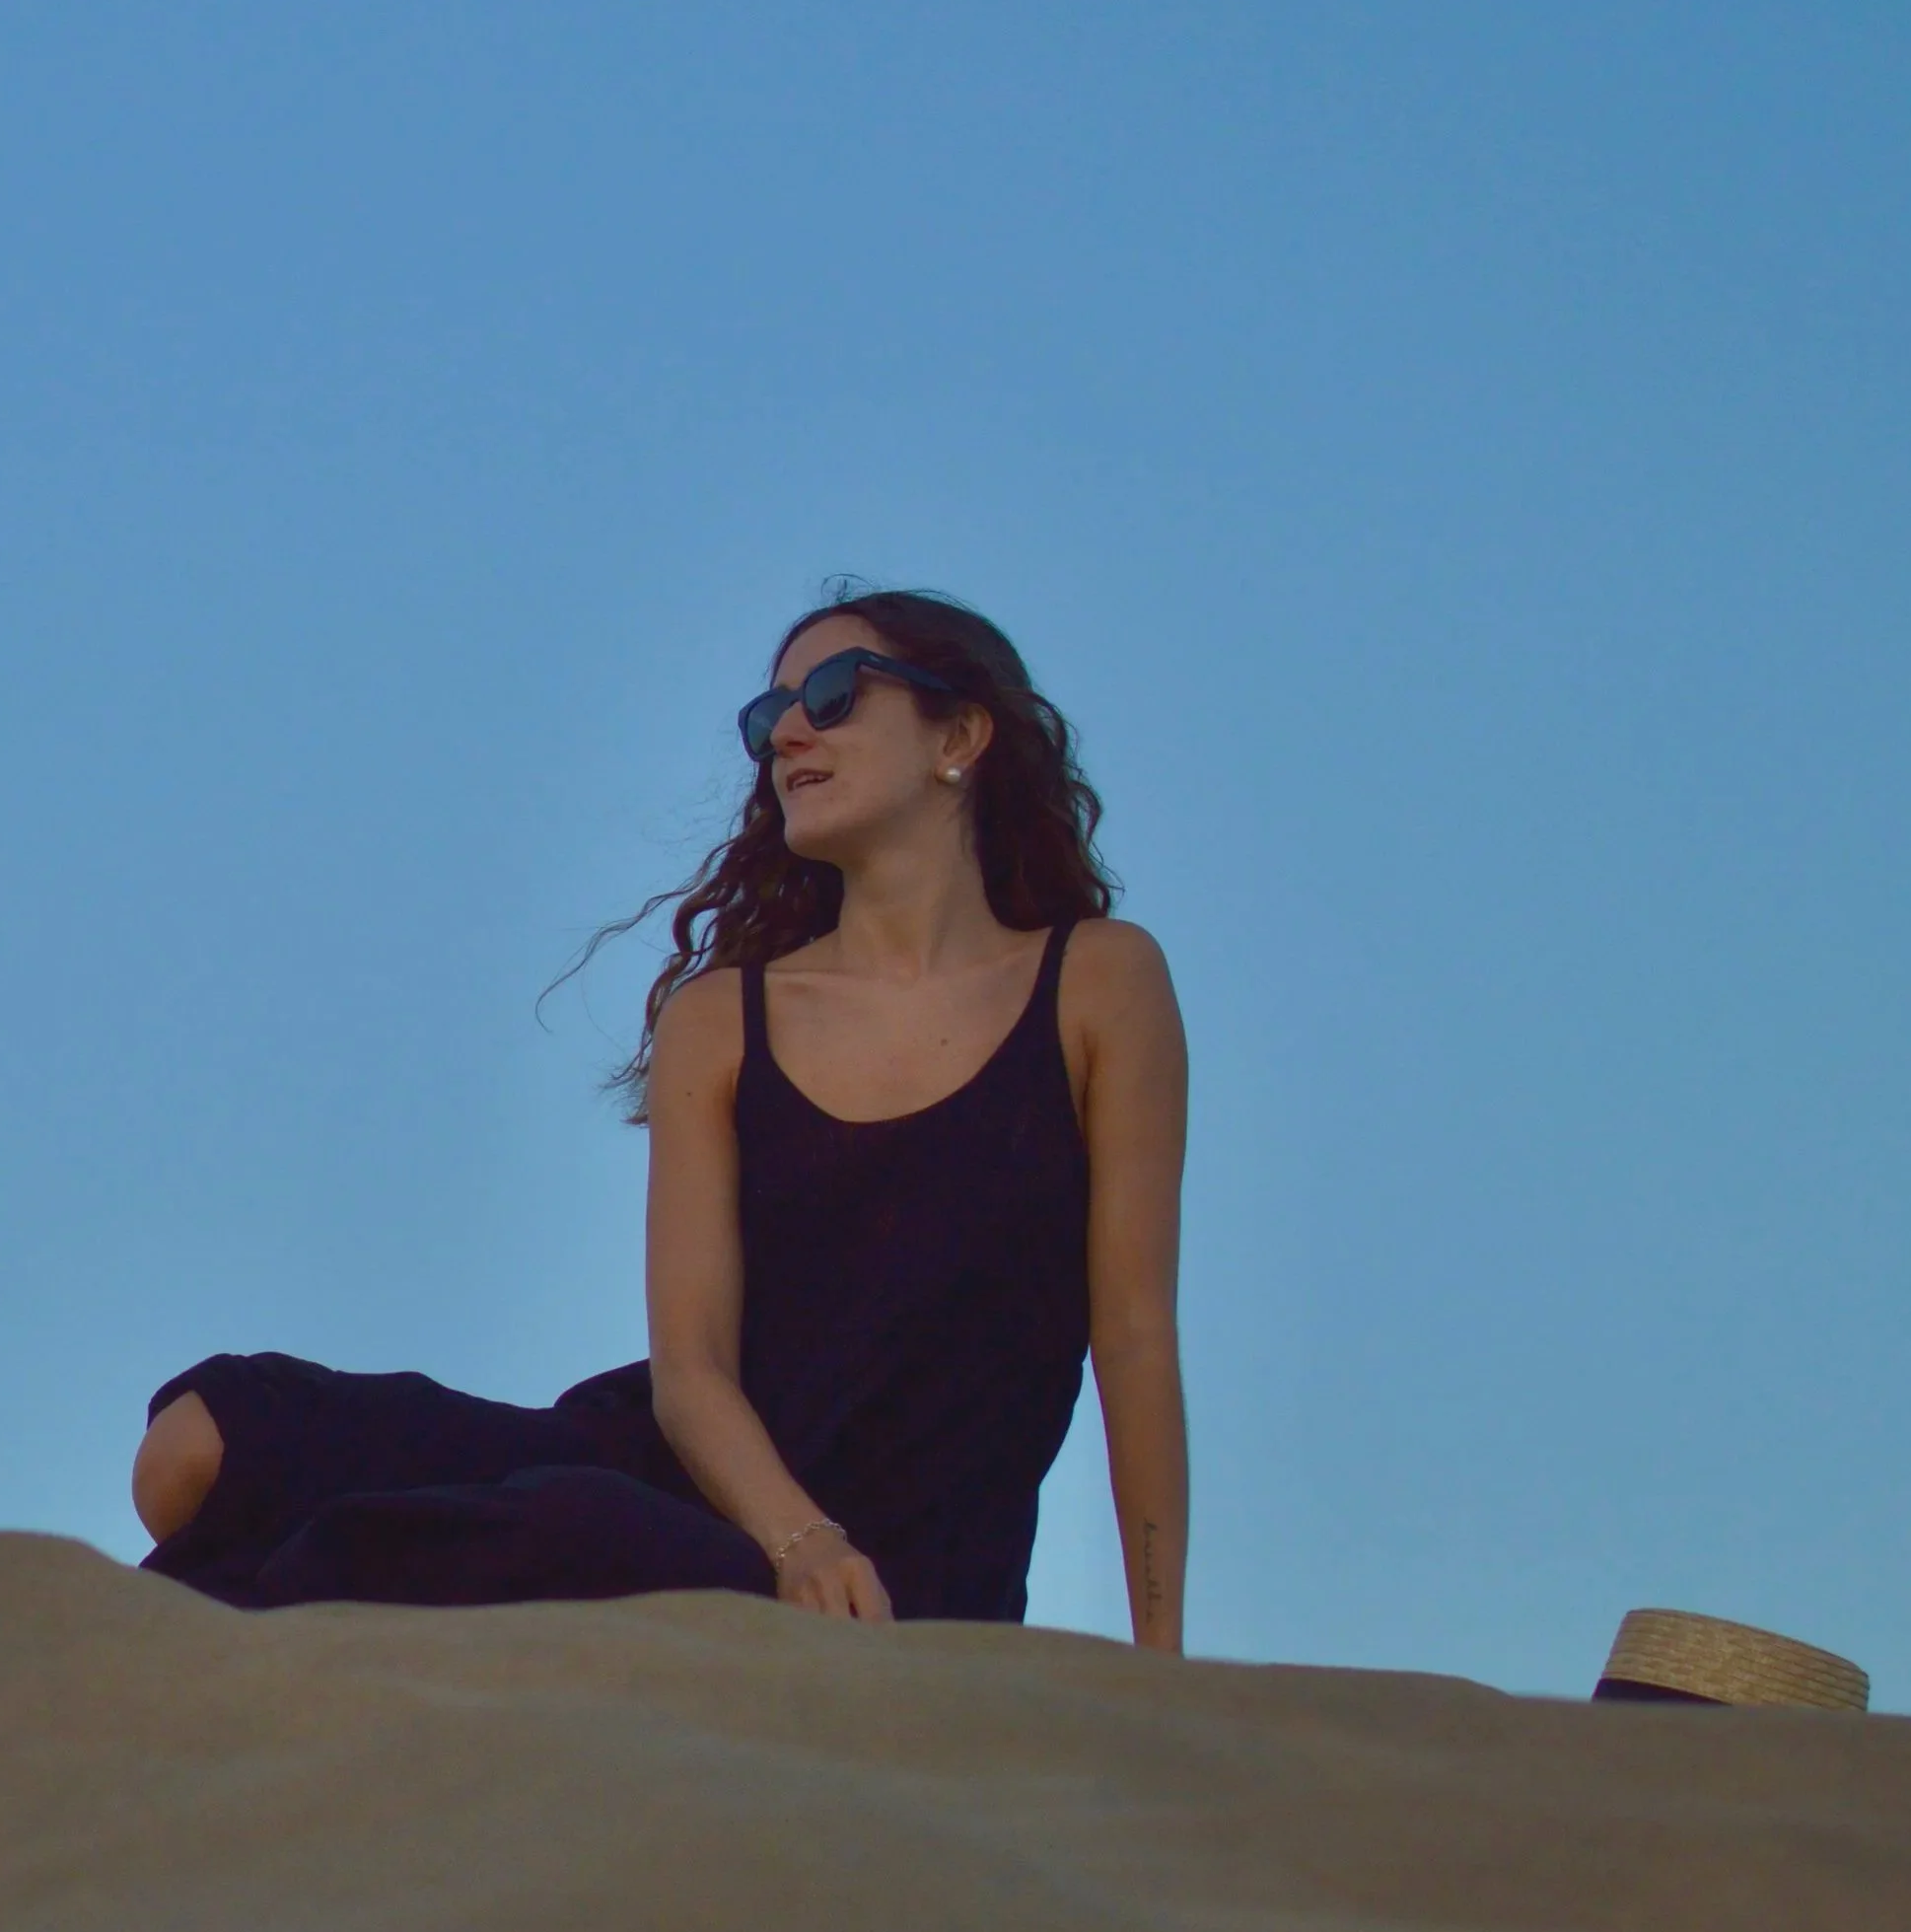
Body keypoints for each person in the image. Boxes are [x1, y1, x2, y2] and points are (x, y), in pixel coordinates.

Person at [132, 588, 1190, 1644]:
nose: (785, 733)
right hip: (708, 1488)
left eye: (832, 694)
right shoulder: (722, 1020)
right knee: (214, 1434)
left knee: (569, 1532)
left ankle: (205, 1653)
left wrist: (1162, 1662)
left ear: (957, 734)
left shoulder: (1096, 983)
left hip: (900, 1566)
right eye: (766, 715)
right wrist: (799, 1539)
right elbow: (690, 1371)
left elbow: (1134, 1338)